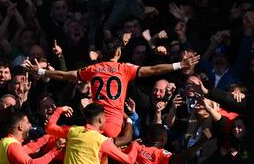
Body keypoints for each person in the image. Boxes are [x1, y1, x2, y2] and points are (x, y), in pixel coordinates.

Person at [23, 37, 200, 138]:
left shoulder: (93, 69)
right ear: (119, 53)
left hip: (94, 125)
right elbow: (153, 69)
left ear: (102, 54)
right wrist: (179, 65)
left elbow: (65, 75)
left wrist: (40, 71)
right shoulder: (124, 69)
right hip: (114, 126)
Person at [45, 103, 140, 164]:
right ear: (100, 119)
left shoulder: (73, 131)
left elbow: (49, 127)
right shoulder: (102, 141)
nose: (105, 120)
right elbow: (129, 160)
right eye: (105, 117)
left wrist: (59, 110)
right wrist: (135, 146)